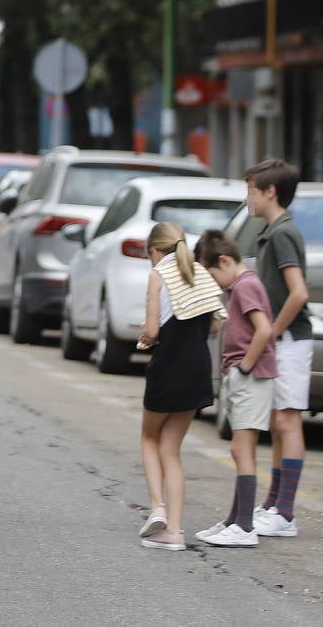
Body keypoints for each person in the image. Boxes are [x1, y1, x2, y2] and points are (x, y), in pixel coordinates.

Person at [135, 222, 225, 552]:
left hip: (168, 367)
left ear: (155, 251)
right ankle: (174, 531)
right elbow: (215, 323)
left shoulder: (159, 275)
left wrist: (145, 336)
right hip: (198, 370)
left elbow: (152, 330)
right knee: (171, 450)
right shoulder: (201, 273)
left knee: (149, 438)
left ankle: (157, 507)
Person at [194, 230, 278, 548]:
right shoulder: (241, 286)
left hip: (251, 376)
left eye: (212, 273)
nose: (214, 282)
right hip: (245, 375)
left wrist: (244, 367)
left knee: (242, 448)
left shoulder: (246, 286)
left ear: (225, 261)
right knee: (239, 448)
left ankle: (244, 526)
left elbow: (263, 330)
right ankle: (235, 519)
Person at [244, 158, 311, 539]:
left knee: (288, 421)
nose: (248, 198)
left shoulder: (283, 233)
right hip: (283, 340)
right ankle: (273, 504)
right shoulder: (272, 231)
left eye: (252, 190)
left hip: (290, 340)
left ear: (271, 192)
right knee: (277, 423)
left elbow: (298, 292)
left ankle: (285, 511)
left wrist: (270, 332)